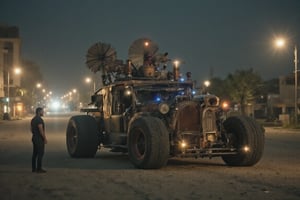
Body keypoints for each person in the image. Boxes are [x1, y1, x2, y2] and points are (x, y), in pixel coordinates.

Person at [31, 107, 47, 173]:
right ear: (39, 112)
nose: (43, 112)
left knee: (35, 154)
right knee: (40, 153)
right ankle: (39, 169)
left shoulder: (33, 119)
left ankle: (34, 168)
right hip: (39, 139)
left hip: (34, 138)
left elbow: (31, 129)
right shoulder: (39, 120)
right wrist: (44, 138)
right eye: (42, 111)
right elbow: (41, 130)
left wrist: (35, 134)